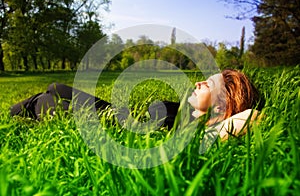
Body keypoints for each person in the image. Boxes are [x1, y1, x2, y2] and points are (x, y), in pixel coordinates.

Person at [10, 69, 261, 140]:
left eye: (207, 85)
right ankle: (28, 107)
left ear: (220, 107)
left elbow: (254, 115)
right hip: (111, 110)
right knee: (57, 87)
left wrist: (220, 123)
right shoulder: (185, 110)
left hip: (106, 122)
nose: (197, 83)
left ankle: (24, 110)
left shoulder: (198, 131)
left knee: (41, 102)